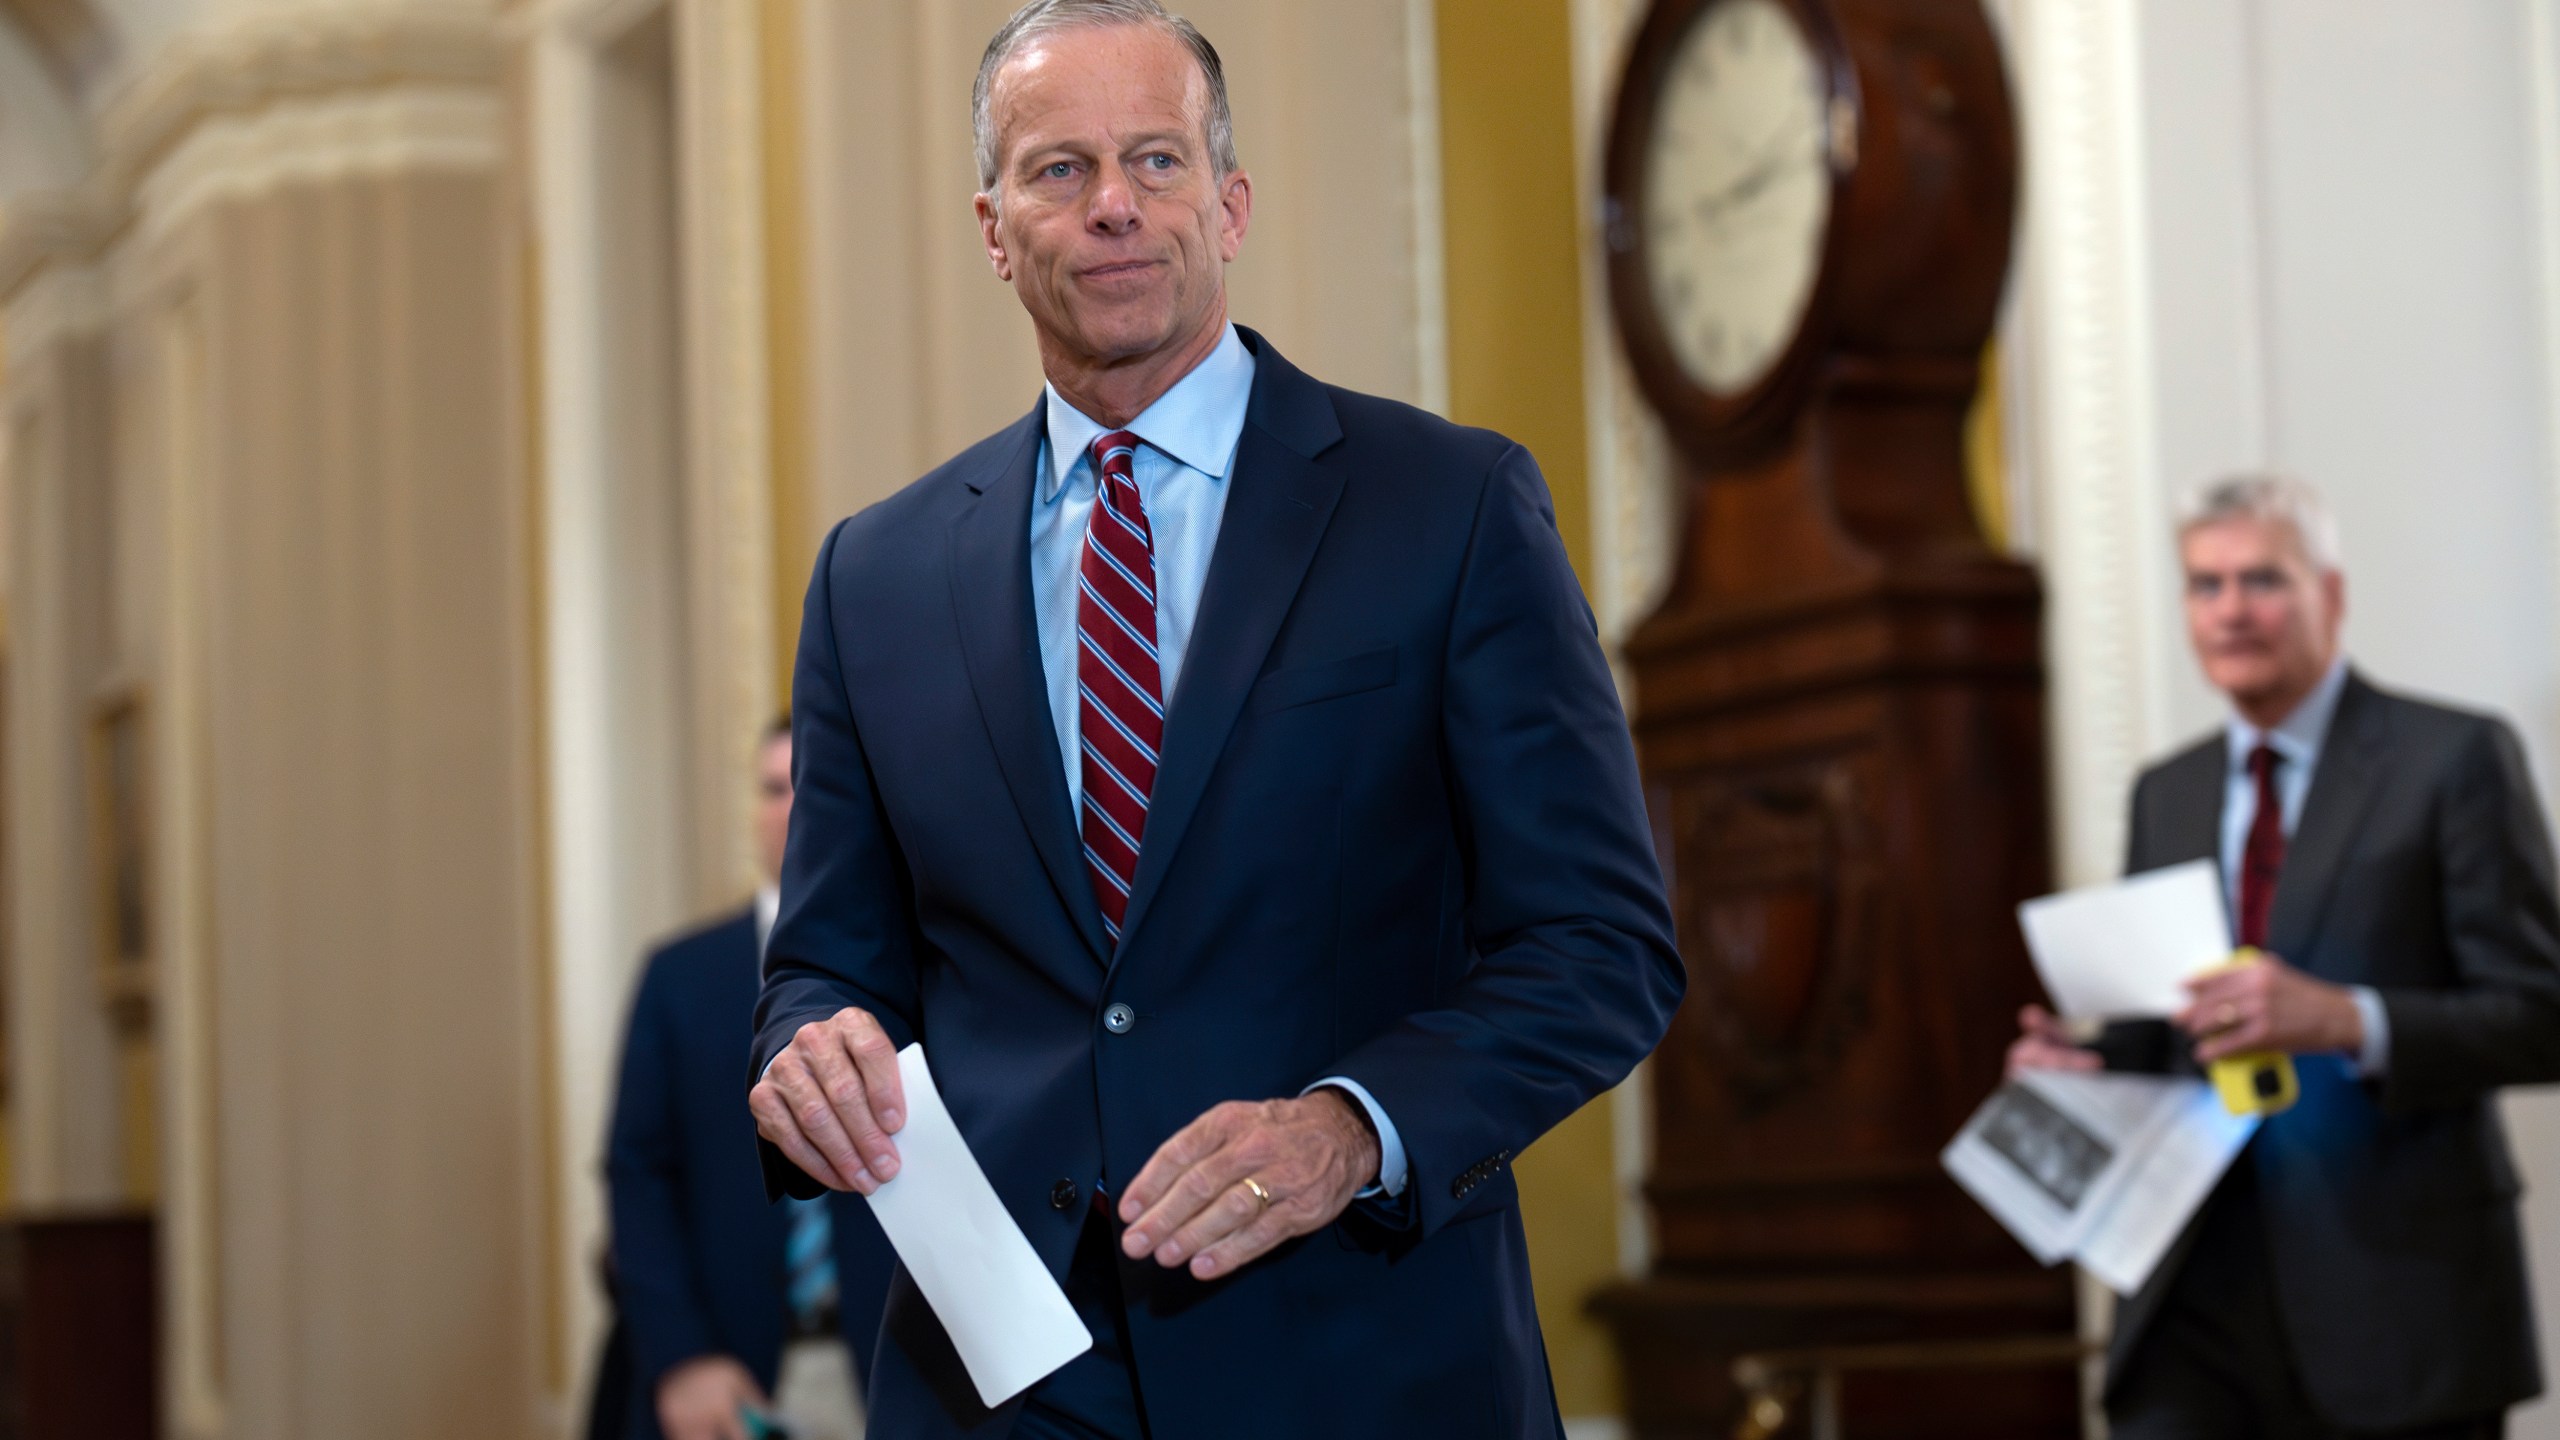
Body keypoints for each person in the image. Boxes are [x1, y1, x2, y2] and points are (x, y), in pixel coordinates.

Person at [742, 2, 1685, 1436]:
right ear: (994, 229)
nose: (1113, 205)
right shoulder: (875, 574)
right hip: (999, 1379)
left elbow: (1604, 948)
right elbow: (825, 965)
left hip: (1362, 1353)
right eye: (1059, 172)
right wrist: (808, 1046)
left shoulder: (1447, 507)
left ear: (1229, 203)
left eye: (1157, 161)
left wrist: (1347, 1129)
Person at [2009, 474, 2560, 1438]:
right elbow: (2163, 1034)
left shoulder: (2453, 758)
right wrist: (2083, 1067)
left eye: (2261, 579)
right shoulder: (2166, 792)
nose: (2230, 611)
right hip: (2191, 1298)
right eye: (2204, 585)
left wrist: (2349, 1019)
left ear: (2330, 594)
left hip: (2397, 1305)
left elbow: (2543, 1017)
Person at [608, 717, 897, 1440]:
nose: (793, 808)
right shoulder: (679, 975)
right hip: (730, 1371)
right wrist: (681, 1358)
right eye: (773, 788)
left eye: (813, 785)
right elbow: (638, 1177)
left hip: (900, 1370)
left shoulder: (927, 971)